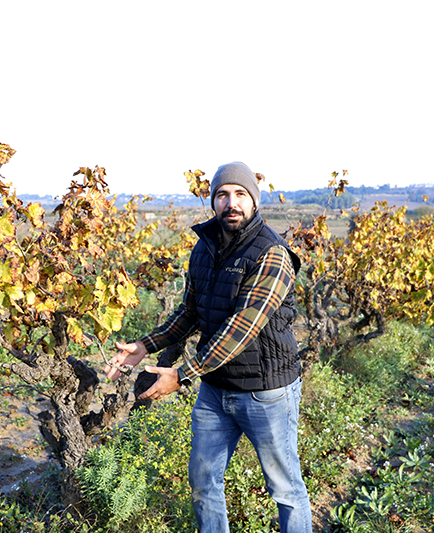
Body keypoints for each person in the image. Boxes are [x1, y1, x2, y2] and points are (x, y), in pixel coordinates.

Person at [106, 161, 312, 532]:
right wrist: (144, 345)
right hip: (216, 391)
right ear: (213, 201)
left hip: (266, 393)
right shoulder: (204, 248)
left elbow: (243, 327)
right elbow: (190, 313)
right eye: (222, 194)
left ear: (253, 200)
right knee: (203, 483)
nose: (230, 202)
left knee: (285, 489)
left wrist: (182, 375)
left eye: (240, 194)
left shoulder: (273, 254)